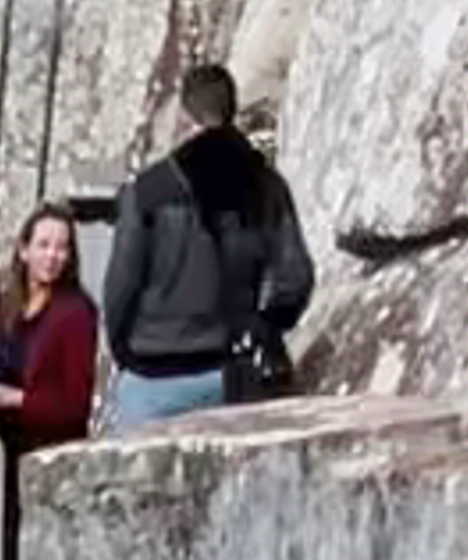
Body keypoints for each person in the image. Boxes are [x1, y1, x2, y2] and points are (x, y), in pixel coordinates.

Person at [98, 62, 311, 427]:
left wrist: (124, 350)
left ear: (184, 114)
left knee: (134, 481)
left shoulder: (148, 191)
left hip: (153, 373)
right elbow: (296, 279)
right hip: (230, 374)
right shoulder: (266, 185)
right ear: (231, 110)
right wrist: (263, 326)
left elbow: (121, 286)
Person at [0, 199, 101, 451]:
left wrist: (13, 398)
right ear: (23, 250)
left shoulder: (77, 313)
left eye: (62, 248)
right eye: (43, 245)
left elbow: (75, 408)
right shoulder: (6, 303)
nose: (52, 256)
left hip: (43, 452)